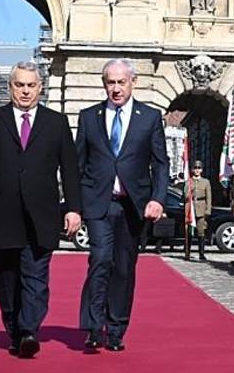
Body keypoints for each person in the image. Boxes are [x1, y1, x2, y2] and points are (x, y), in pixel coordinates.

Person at [0, 61, 82, 358]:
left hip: (42, 214)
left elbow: (69, 169)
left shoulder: (56, 123)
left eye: (31, 85)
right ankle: (14, 329)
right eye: (20, 85)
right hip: (3, 214)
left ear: (40, 88)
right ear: (10, 88)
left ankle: (29, 329)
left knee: (36, 276)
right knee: (6, 278)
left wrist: (73, 209)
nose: (26, 91)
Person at [75, 58, 169, 352]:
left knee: (124, 268)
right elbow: (78, 164)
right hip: (98, 203)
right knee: (100, 259)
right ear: (104, 84)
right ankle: (92, 326)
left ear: (133, 82)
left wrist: (157, 198)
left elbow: (161, 164)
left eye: (121, 82)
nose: (116, 89)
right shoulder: (89, 116)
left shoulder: (150, 118)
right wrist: (74, 206)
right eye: (110, 82)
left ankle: (116, 328)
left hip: (132, 206)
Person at [188, 161, 212, 260]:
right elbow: (185, 196)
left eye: (199, 168)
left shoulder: (205, 182)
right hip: (191, 209)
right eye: (195, 168)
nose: (197, 170)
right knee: (189, 232)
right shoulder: (189, 181)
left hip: (201, 208)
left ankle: (201, 253)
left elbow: (209, 197)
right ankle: (187, 252)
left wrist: (208, 210)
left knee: (201, 232)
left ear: (201, 170)